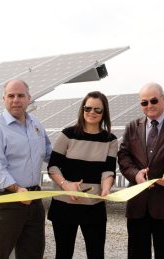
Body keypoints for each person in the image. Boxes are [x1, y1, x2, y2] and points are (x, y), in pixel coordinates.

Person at [118, 82, 164, 259]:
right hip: (138, 204)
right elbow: (123, 157)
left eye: (153, 100)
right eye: (144, 102)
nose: (149, 105)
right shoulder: (132, 127)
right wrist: (136, 174)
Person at [0, 79, 52, 258]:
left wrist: (71, 175)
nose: (16, 100)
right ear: (3, 99)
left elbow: (49, 154)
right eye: (11, 96)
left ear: (29, 98)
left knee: (33, 253)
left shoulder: (36, 125)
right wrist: (17, 189)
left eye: (20, 95)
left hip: (33, 200)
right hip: (5, 200)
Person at [47, 91, 117, 259]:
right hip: (64, 205)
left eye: (97, 110)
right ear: (82, 109)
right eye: (88, 108)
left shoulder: (110, 140)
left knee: (96, 254)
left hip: (94, 206)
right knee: (63, 254)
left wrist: (106, 189)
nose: (92, 112)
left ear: (104, 112)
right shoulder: (67, 134)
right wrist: (66, 185)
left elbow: (108, 170)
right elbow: (53, 166)